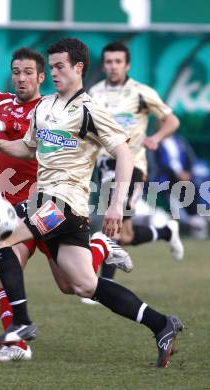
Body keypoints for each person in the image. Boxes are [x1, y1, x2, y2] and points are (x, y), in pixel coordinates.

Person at [0, 38, 183, 368]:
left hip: (65, 205)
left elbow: (124, 154)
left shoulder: (90, 110)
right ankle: (161, 324)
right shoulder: (44, 107)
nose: (54, 72)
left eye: (60, 66)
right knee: (81, 285)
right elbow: (29, 149)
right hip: (44, 203)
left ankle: (21, 322)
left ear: (78, 68)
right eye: (52, 66)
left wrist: (116, 204)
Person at [0, 16, 130, 362]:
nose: (21, 77)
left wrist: (1, 128)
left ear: (42, 76)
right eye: (16, 71)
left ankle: (100, 246)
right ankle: (18, 342)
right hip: (17, 209)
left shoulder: (50, 109)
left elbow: (23, 132)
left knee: (72, 285)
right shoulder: (1, 102)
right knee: (3, 263)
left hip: (50, 206)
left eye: (28, 72)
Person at [88, 41, 184, 280]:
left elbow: (172, 121)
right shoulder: (95, 93)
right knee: (125, 235)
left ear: (127, 64)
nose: (113, 66)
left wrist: (156, 138)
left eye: (118, 61)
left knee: (114, 217)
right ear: (104, 64)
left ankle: (103, 284)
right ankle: (165, 231)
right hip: (104, 165)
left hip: (133, 166)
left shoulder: (142, 92)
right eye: (109, 61)